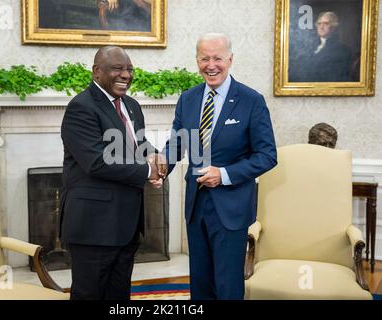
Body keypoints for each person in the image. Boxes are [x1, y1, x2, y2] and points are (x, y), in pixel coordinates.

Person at [157, 33, 277, 299]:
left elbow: (267, 155)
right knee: (200, 284)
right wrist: (162, 166)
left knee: (227, 285)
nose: (211, 65)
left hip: (231, 208)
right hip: (196, 205)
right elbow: (177, 143)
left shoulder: (251, 100)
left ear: (230, 60)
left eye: (217, 58)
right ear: (197, 61)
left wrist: (223, 175)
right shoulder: (187, 99)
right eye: (204, 58)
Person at [60, 46, 163, 300]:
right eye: (118, 68)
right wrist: (148, 171)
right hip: (94, 226)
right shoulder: (81, 107)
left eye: (129, 69)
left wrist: (158, 159)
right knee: (90, 294)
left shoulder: (131, 106)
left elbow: (138, 144)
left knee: (119, 295)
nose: (126, 75)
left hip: (126, 224)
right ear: (97, 72)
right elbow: (97, 161)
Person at [289, 11, 352, 82]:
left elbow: (335, 78)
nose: (321, 27)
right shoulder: (309, 46)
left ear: (334, 27)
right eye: (319, 23)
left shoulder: (343, 50)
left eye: (326, 23)